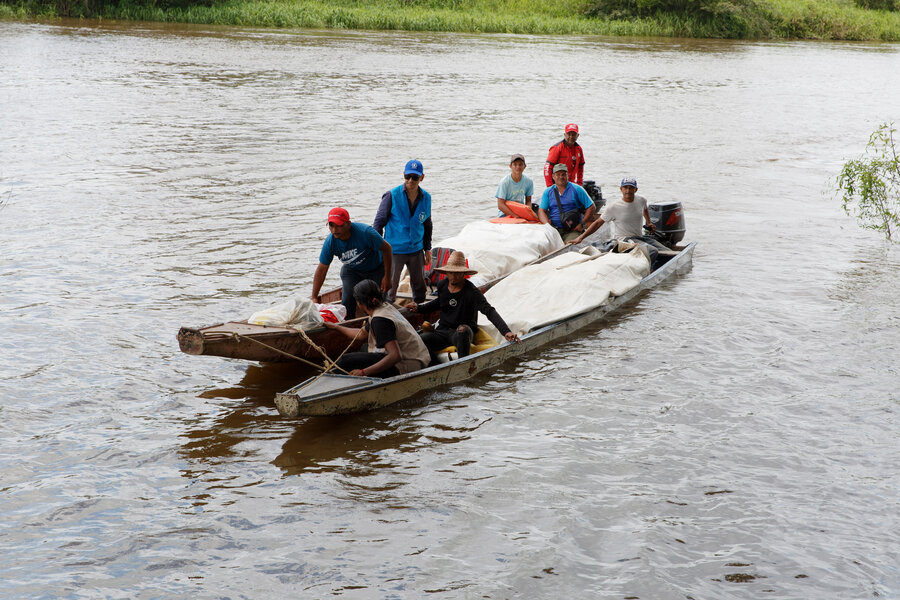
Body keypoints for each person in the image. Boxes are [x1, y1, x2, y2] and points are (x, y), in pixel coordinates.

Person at [407, 250, 519, 365]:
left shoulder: (472, 292)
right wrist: (419, 308)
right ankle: (435, 365)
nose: (453, 277)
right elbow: (438, 303)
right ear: (446, 273)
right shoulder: (442, 285)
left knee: (463, 330)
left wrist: (506, 332)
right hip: (443, 331)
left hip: (461, 332)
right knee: (419, 340)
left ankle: (463, 365)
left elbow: (489, 311)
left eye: (457, 273)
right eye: (450, 273)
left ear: (463, 274)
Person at [324, 280, 430, 378]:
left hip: (408, 365)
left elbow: (395, 356)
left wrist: (363, 372)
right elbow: (361, 334)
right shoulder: (384, 306)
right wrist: (336, 327)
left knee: (344, 361)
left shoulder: (380, 320)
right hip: (418, 356)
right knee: (365, 348)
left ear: (359, 303)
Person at [312, 207, 393, 320]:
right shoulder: (330, 242)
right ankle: (348, 323)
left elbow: (387, 249)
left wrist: (387, 277)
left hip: (375, 268)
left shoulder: (366, 232)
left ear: (348, 224)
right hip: (352, 270)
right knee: (347, 300)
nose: (335, 229)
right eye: (331, 225)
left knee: (376, 301)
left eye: (339, 225)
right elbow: (322, 270)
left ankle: (379, 321)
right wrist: (314, 297)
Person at [374, 159, 433, 304]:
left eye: (415, 177)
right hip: (394, 250)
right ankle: (387, 313)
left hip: (416, 249)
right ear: (404, 175)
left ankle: (419, 310)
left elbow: (427, 224)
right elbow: (378, 224)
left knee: (419, 286)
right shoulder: (391, 195)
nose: (411, 181)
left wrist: (427, 249)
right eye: (408, 177)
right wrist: (379, 249)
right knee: (389, 287)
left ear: (422, 178)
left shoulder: (427, 198)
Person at [568, 177, 663, 248]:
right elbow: (597, 223)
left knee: (664, 249)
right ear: (621, 189)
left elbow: (645, 209)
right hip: (624, 240)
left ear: (636, 189)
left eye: (631, 188)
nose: (628, 191)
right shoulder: (613, 207)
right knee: (652, 251)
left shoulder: (641, 200)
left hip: (640, 237)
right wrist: (581, 238)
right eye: (625, 188)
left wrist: (649, 222)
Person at [538, 163, 597, 243]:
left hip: (572, 230)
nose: (561, 177)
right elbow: (541, 210)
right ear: (553, 176)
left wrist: (582, 224)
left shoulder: (577, 189)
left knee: (569, 244)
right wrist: (547, 226)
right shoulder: (548, 192)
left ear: (567, 176)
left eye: (563, 174)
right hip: (554, 229)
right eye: (558, 175)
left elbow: (591, 207)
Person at [543, 123, 585, 188]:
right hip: (557, 184)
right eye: (569, 134)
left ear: (577, 135)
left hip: (571, 184)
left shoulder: (579, 149)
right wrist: (550, 187)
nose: (571, 137)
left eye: (573, 134)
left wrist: (579, 184)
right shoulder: (557, 148)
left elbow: (581, 167)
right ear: (565, 135)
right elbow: (547, 167)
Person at [495, 153, 534, 217]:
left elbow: (528, 201)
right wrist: (514, 216)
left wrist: (527, 212)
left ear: (525, 166)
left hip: (520, 211)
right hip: (505, 213)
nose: (518, 167)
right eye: (515, 164)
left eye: (520, 164)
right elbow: (500, 205)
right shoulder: (504, 182)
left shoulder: (529, 181)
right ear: (510, 166)